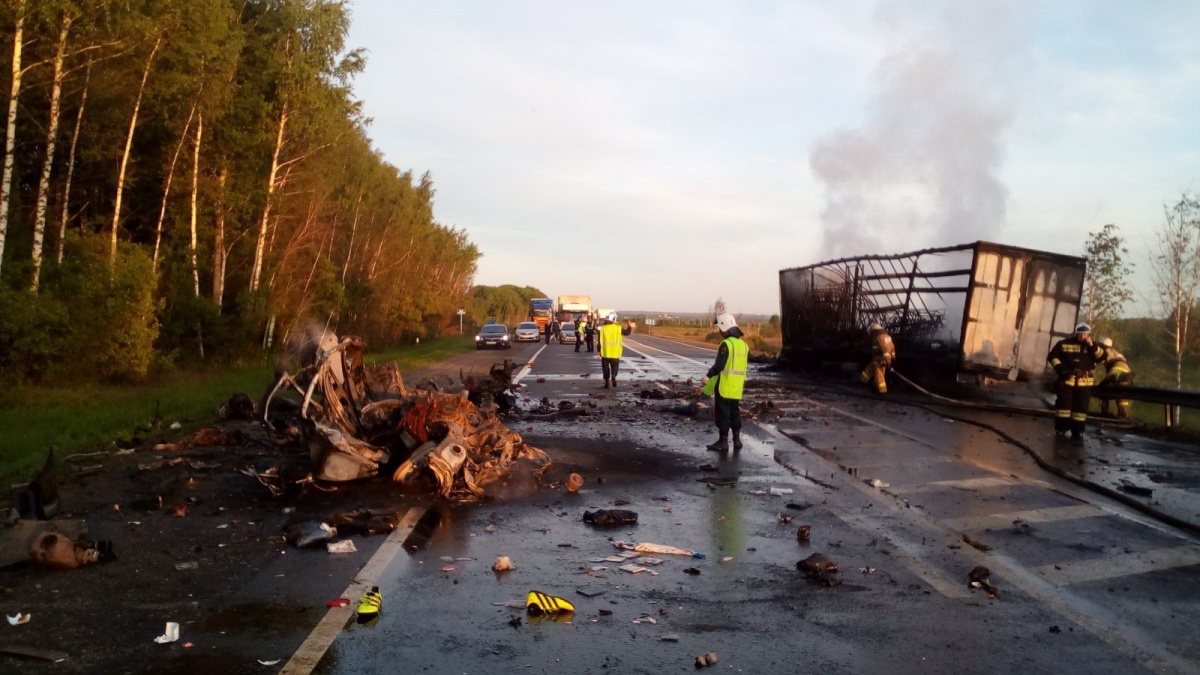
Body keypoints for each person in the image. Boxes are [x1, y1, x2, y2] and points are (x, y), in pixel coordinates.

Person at [1046, 322, 1106, 439]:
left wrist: (1091, 345)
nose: (1082, 336)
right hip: (1068, 380)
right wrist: (1063, 371)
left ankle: (1078, 431)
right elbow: (1052, 357)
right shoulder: (1064, 344)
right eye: (1080, 334)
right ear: (1076, 333)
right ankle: (1061, 429)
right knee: (1063, 407)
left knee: (1080, 409)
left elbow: (1101, 358)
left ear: (1089, 334)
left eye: (1085, 334)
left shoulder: (1094, 346)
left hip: (1084, 383)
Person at [702, 313, 749, 453]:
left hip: (725, 385)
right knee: (735, 412)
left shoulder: (726, 344)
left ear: (724, 327)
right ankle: (737, 440)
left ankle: (723, 442)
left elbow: (719, 366)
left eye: (720, 329)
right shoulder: (743, 345)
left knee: (722, 413)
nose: (720, 332)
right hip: (737, 387)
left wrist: (707, 376)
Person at [1098, 337, 1134, 419]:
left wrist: (1104, 381)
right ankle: (1123, 414)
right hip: (1127, 371)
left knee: (1103, 387)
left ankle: (1104, 412)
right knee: (1122, 394)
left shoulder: (1106, 352)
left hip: (1116, 372)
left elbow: (1109, 371)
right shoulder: (1116, 352)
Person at [597, 313, 633, 388]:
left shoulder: (602, 328)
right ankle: (613, 376)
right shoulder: (618, 328)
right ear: (614, 319)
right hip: (615, 352)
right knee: (615, 367)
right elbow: (627, 332)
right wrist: (629, 325)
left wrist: (598, 350)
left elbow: (600, 341)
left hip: (605, 352)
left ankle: (607, 383)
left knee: (605, 368)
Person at [859, 323, 895, 394]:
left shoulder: (879, 338)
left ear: (875, 331)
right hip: (878, 359)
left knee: (879, 376)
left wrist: (889, 363)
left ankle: (882, 391)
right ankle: (863, 381)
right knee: (868, 371)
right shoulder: (887, 336)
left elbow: (885, 352)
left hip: (879, 360)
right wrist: (893, 358)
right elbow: (892, 348)